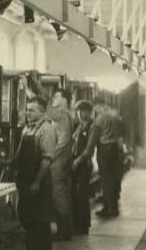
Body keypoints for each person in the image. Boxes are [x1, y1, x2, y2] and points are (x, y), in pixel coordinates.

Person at [14, 95, 57, 250]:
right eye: (27, 109)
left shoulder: (46, 130)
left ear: (42, 112)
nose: (28, 113)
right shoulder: (27, 129)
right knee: (28, 220)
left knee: (41, 221)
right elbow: (19, 154)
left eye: (32, 110)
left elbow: (47, 159)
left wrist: (37, 182)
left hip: (39, 182)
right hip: (25, 181)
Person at [87, 101, 125, 218]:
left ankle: (109, 209)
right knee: (113, 180)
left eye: (96, 107)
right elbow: (120, 136)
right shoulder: (115, 116)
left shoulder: (100, 118)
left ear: (99, 105)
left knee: (106, 180)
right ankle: (113, 207)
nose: (95, 110)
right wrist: (121, 152)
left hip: (104, 149)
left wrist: (88, 151)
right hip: (114, 149)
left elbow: (94, 136)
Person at [47, 88, 75, 240]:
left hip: (58, 160)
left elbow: (47, 109)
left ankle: (64, 231)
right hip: (64, 159)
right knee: (63, 194)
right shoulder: (67, 115)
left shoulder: (62, 115)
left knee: (59, 195)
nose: (53, 99)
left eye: (56, 97)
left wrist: (33, 88)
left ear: (64, 99)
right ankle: (66, 229)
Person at [70, 99, 95, 235]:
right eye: (78, 111)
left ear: (87, 112)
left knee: (82, 195)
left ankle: (83, 225)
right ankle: (76, 222)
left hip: (83, 164)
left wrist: (77, 161)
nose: (79, 113)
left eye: (81, 111)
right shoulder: (79, 126)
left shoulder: (91, 127)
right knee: (75, 193)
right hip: (75, 163)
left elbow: (89, 149)